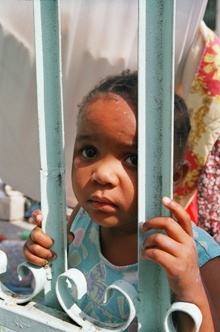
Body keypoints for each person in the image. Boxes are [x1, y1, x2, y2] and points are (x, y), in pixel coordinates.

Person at [23, 71, 220, 331]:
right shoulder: (82, 217)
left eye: (133, 159)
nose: (102, 175)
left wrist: (189, 287)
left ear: (175, 176)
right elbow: (58, 286)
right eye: (89, 152)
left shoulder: (198, 256)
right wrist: (43, 255)